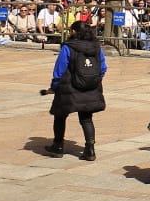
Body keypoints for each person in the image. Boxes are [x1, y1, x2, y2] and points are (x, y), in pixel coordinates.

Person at [44, 20, 107, 161]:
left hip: (69, 86)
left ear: (73, 32)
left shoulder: (68, 47)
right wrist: (95, 79)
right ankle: (90, 149)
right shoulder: (97, 47)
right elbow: (103, 67)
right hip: (91, 86)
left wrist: (54, 85)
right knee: (86, 118)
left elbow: (60, 69)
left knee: (60, 115)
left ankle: (58, 146)